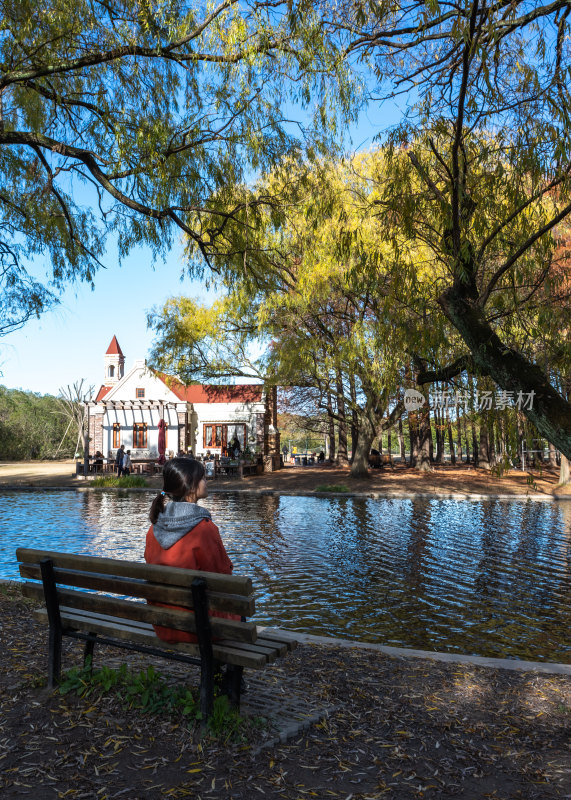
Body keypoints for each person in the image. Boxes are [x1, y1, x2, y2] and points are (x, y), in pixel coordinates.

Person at [144, 458, 235, 644]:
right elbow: (223, 577)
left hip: (164, 624)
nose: (207, 481)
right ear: (191, 486)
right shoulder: (204, 529)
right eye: (203, 478)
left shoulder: (154, 529)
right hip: (199, 627)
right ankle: (220, 672)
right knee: (236, 612)